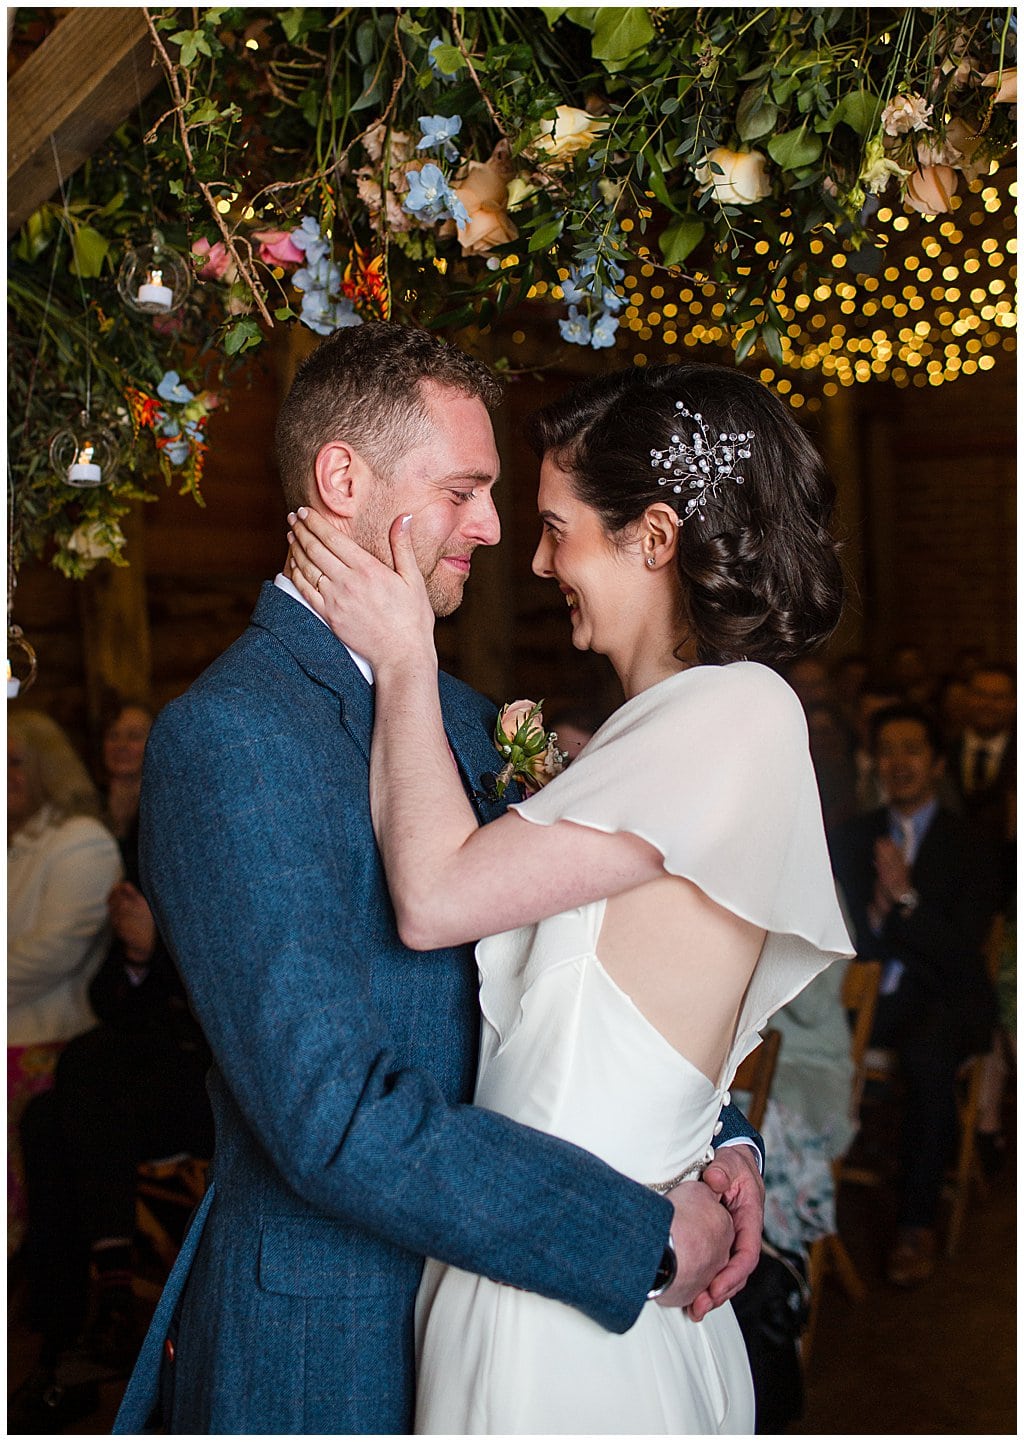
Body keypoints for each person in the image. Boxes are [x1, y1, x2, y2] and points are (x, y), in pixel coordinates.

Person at [114, 324, 769, 1437]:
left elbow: (586, 969)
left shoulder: (473, 719)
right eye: (464, 489)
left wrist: (714, 1138)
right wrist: (634, 1232)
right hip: (336, 1343)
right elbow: (331, 1117)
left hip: (514, 1332)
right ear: (343, 479)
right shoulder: (226, 738)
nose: (497, 528)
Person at [287, 357, 853, 1433]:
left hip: (566, 1292)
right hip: (567, 1248)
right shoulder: (661, 729)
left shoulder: (731, 713)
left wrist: (406, 657)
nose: (534, 557)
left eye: (556, 527)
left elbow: (437, 897)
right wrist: (726, 1139)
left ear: (651, 538)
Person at [831, 704, 1001, 1287]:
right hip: (868, 994)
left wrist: (903, 900)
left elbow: (961, 955)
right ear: (874, 763)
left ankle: (916, 1223)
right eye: (888, 752)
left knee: (929, 1053)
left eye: (912, 751)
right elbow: (838, 932)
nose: (898, 763)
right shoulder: (852, 836)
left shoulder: (973, 845)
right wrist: (881, 918)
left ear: (934, 764)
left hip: (947, 999)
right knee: (792, 1032)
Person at [8, 711, 123, 1259]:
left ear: (48, 769)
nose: (5, 775)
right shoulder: (13, 841)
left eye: (16, 763)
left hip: (46, 1033)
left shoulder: (81, 841)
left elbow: (54, 950)